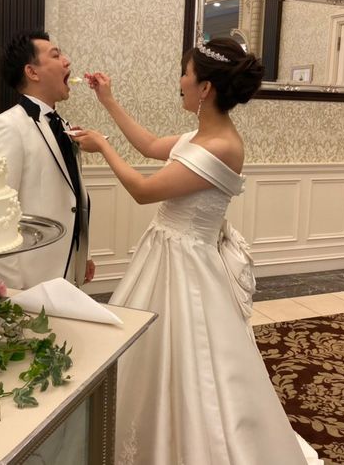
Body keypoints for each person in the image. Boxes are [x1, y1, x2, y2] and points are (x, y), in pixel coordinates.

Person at [72, 38, 323, 465]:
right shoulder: (200, 136)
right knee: (151, 351)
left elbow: (143, 190)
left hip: (188, 265)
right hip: (166, 254)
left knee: (191, 357)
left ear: (205, 87)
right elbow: (150, 145)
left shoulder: (222, 146)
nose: (181, 81)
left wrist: (103, 146)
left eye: (185, 73)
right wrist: (108, 100)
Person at [0, 30, 95, 289]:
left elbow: (72, 196)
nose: (67, 61)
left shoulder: (62, 125)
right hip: (30, 276)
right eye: (56, 56)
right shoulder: (7, 126)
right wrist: (11, 288)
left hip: (66, 265)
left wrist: (83, 252)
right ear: (32, 72)